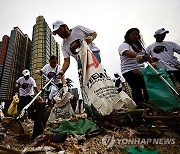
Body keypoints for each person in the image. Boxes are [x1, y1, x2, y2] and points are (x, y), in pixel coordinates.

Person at [118, 28, 155, 105]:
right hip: (129, 70)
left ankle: (149, 104)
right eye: (133, 34)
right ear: (128, 35)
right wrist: (137, 56)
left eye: (137, 34)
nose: (136, 36)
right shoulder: (124, 45)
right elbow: (125, 52)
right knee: (136, 88)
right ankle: (140, 105)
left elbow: (146, 56)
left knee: (147, 87)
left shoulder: (139, 46)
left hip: (142, 70)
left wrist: (153, 63)